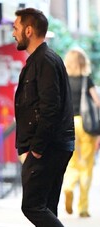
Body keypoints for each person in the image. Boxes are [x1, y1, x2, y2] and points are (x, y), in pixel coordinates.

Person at [12, 8, 97, 227]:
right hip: (52, 146)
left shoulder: (45, 61)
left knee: (32, 206)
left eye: (16, 26)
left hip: (47, 148)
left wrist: (35, 148)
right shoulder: (42, 60)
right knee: (45, 208)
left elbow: (49, 106)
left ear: (28, 30)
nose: (13, 31)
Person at [63, 48, 100, 217]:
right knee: (86, 165)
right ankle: (83, 208)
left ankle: (69, 187)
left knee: (71, 162)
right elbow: (97, 103)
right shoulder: (87, 81)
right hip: (86, 125)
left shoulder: (63, 80)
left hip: (68, 124)